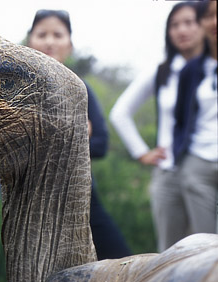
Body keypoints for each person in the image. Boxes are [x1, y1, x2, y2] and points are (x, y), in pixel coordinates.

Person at [27, 9, 131, 259]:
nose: (50, 41)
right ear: (30, 41)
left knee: (120, 263)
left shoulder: (81, 89)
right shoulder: (19, 91)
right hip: (31, 202)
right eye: (42, 34)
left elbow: (100, 145)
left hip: (81, 197)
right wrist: (74, 134)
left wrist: (47, 136)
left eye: (58, 34)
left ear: (70, 45)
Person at [109, 2, 206, 251]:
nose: (182, 30)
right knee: (171, 253)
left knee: (209, 251)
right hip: (168, 173)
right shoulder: (162, 72)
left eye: (189, 22)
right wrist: (141, 151)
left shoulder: (211, 71)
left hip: (206, 170)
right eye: (174, 25)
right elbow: (120, 112)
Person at [173, 0, 217, 235]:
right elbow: (180, 119)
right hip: (198, 162)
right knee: (206, 245)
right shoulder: (191, 70)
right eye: (209, 15)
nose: (215, 21)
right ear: (201, 23)